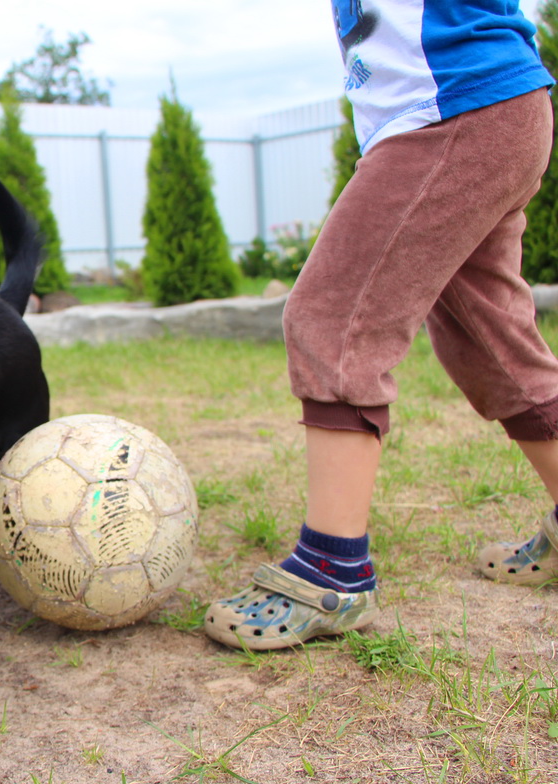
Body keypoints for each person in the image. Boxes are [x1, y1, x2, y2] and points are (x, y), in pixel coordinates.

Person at [205, 0, 558, 650]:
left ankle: (332, 571)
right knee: (494, 346)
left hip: (452, 106)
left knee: (334, 319)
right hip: (478, 107)